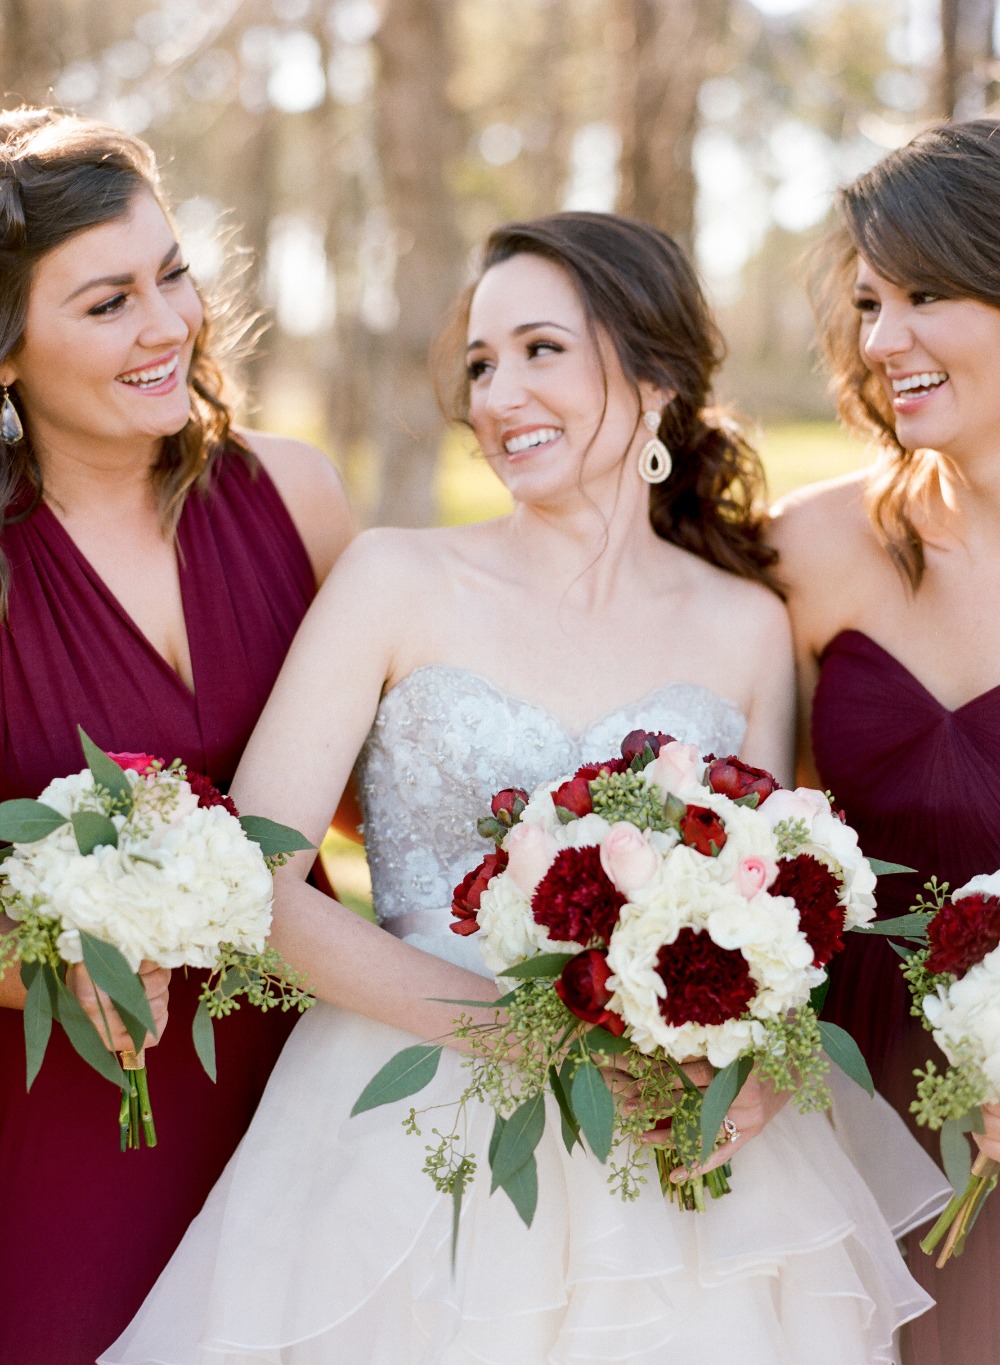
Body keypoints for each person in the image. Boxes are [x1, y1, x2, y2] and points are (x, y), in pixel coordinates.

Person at [103, 212, 945, 1365]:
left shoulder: (746, 625)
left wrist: (755, 1073)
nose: (499, 398)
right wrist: (523, 1034)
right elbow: (256, 886)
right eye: (481, 364)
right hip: (405, 1126)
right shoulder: (394, 579)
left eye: (542, 350)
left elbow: (775, 912)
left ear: (654, 377)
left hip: (674, 1159)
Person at [0, 107, 352, 1365]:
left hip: (301, 1111)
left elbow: (392, 808)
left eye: (173, 274)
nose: (168, 324)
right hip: (64, 1134)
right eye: (106, 303)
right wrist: (37, 938)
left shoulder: (293, 496)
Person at [772, 119, 1000, 1365]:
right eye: (868, 302)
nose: (881, 340)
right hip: (841, 1098)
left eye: (924, 295)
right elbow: (737, 822)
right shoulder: (806, 548)